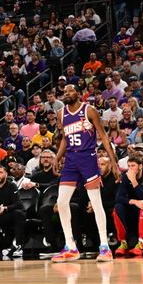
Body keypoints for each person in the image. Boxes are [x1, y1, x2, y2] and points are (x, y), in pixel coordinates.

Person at [51, 85, 118, 262]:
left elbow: (103, 136)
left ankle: (105, 246)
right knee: (62, 202)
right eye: (64, 91)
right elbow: (65, 139)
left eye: (70, 91)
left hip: (88, 158)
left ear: (79, 94)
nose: (66, 93)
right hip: (71, 160)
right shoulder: (61, 113)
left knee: (96, 202)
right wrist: (57, 157)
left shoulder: (89, 110)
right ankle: (71, 247)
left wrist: (114, 162)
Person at [113, 155, 143, 257]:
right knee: (117, 208)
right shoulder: (125, 176)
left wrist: (134, 181)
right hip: (134, 204)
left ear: (140, 166)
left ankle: (141, 243)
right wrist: (134, 202)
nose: (130, 168)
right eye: (129, 166)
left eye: (133, 166)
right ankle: (123, 243)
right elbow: (118, 198)